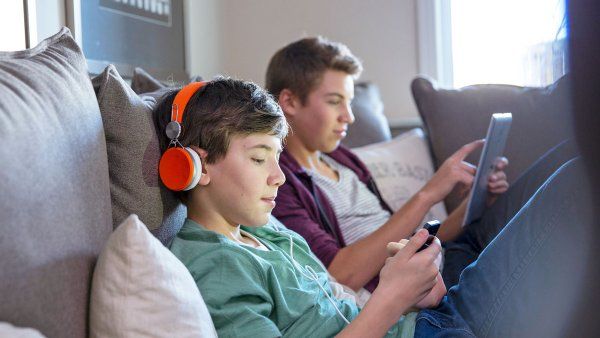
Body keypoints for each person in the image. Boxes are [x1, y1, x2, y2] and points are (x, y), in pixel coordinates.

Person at [154, 78, 589, 337]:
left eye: (277, 157)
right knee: (577, 177)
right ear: (192, 164)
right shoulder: (213, 266)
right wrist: (392, 296)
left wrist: (413, 293)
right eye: (258, 157)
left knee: (574, 151)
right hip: (431, 330)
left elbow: (337, 306)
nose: (279, 176)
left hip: (426, 319)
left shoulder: (267, 232)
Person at [266, 37, 578, 290]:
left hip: (449, 257)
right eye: (335, 101)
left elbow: (412, 241)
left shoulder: (343, 160)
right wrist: (429, 194)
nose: (349, 116)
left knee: (568, 156)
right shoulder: (278, 182)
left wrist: (475, 204)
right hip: (438, 288)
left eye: (348, 102)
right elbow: (343, 275)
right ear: (290, 102)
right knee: (570, 174)